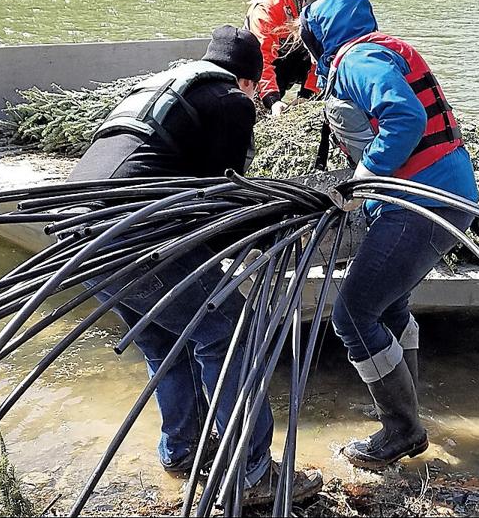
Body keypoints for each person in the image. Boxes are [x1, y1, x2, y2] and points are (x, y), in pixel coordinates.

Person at [67, 25, 323, 505]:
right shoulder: (232, 102)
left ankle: (183, 453)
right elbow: (217, 201)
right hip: (134, 234)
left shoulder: (163, 87)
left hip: (77, 233)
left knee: (169, 340)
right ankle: (253, 474)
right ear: (249, 79)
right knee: (231, 335)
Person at [298, 0, 479, 471]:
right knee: (389, 304)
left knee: (354, 316)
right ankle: (409, 411)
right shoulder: (377, 48)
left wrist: (364, 176)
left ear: (322, 36)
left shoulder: (357, 61)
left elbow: (405, 116)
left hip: (424, 203)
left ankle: (401, 431)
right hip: (437, 195)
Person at [244, 0, 335, 117]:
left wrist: (308, 94)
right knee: (258, 109)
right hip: (269, 62)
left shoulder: (326, 10)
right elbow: (263, 61)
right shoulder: (267, 10)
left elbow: (323, 54)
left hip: (301, 59)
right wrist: (273, 100)